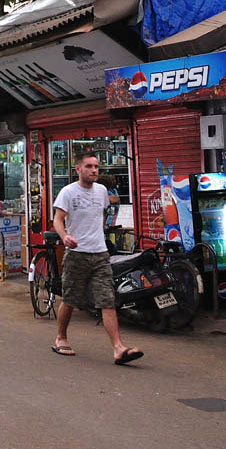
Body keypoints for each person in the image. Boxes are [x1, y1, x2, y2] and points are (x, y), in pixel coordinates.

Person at [51, 151, 143, 365]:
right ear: (78, 169)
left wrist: (98, 235)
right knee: (70, 299)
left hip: (100, 254)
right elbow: (58, 219)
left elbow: (101, 215)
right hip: (76, 255)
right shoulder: (68, 192)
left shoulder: (101, 191)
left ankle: (119, 349)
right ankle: (61, 337)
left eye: (96, 167)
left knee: (107, 300)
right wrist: (65, 236)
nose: (94, 170)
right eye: (89, 166)